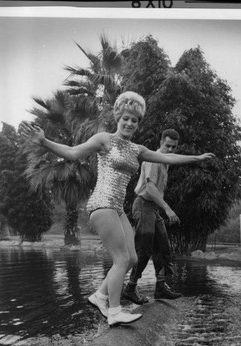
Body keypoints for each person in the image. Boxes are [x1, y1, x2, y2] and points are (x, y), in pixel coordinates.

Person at [20, 91, 215, 327]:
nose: (130, 123)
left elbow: (168, 158)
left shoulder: (137, 150)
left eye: (135, 120)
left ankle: (99, 296)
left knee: (132, 258)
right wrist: (44, 142)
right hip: (102, 203)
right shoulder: (104, 139)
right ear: (118, 118)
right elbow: (72, 152)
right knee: (121, 259)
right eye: (126, 119)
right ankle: (114, 312)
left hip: (117, 208)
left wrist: (197, 158)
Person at [123, 129, 183, 305]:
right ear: (161, 143)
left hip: (153, 209)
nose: (170, 150)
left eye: (174, 147)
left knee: (163, 248)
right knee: (144, 248)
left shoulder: (165, 163)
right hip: (143, 205)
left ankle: (161, 287)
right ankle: (130, 288)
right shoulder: (153, 160)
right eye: (167, 146)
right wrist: (168, 209)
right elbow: (149, 188)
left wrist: (161, 208)